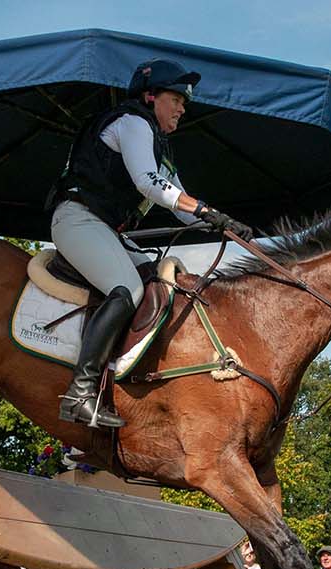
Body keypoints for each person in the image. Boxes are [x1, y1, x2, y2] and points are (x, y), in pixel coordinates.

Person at [48, 58, 253, 428]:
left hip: (103, 229)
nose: (182, 107)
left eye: (184, 101)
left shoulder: (161, 150)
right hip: (77, 220)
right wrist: (205, 210)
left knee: (154, 282)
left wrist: (223, 225)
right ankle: (79, 393)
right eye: (176, 97)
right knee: (126, 288)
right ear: (149, 96)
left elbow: (183, 208)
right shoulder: (133, 123)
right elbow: (147, 184)